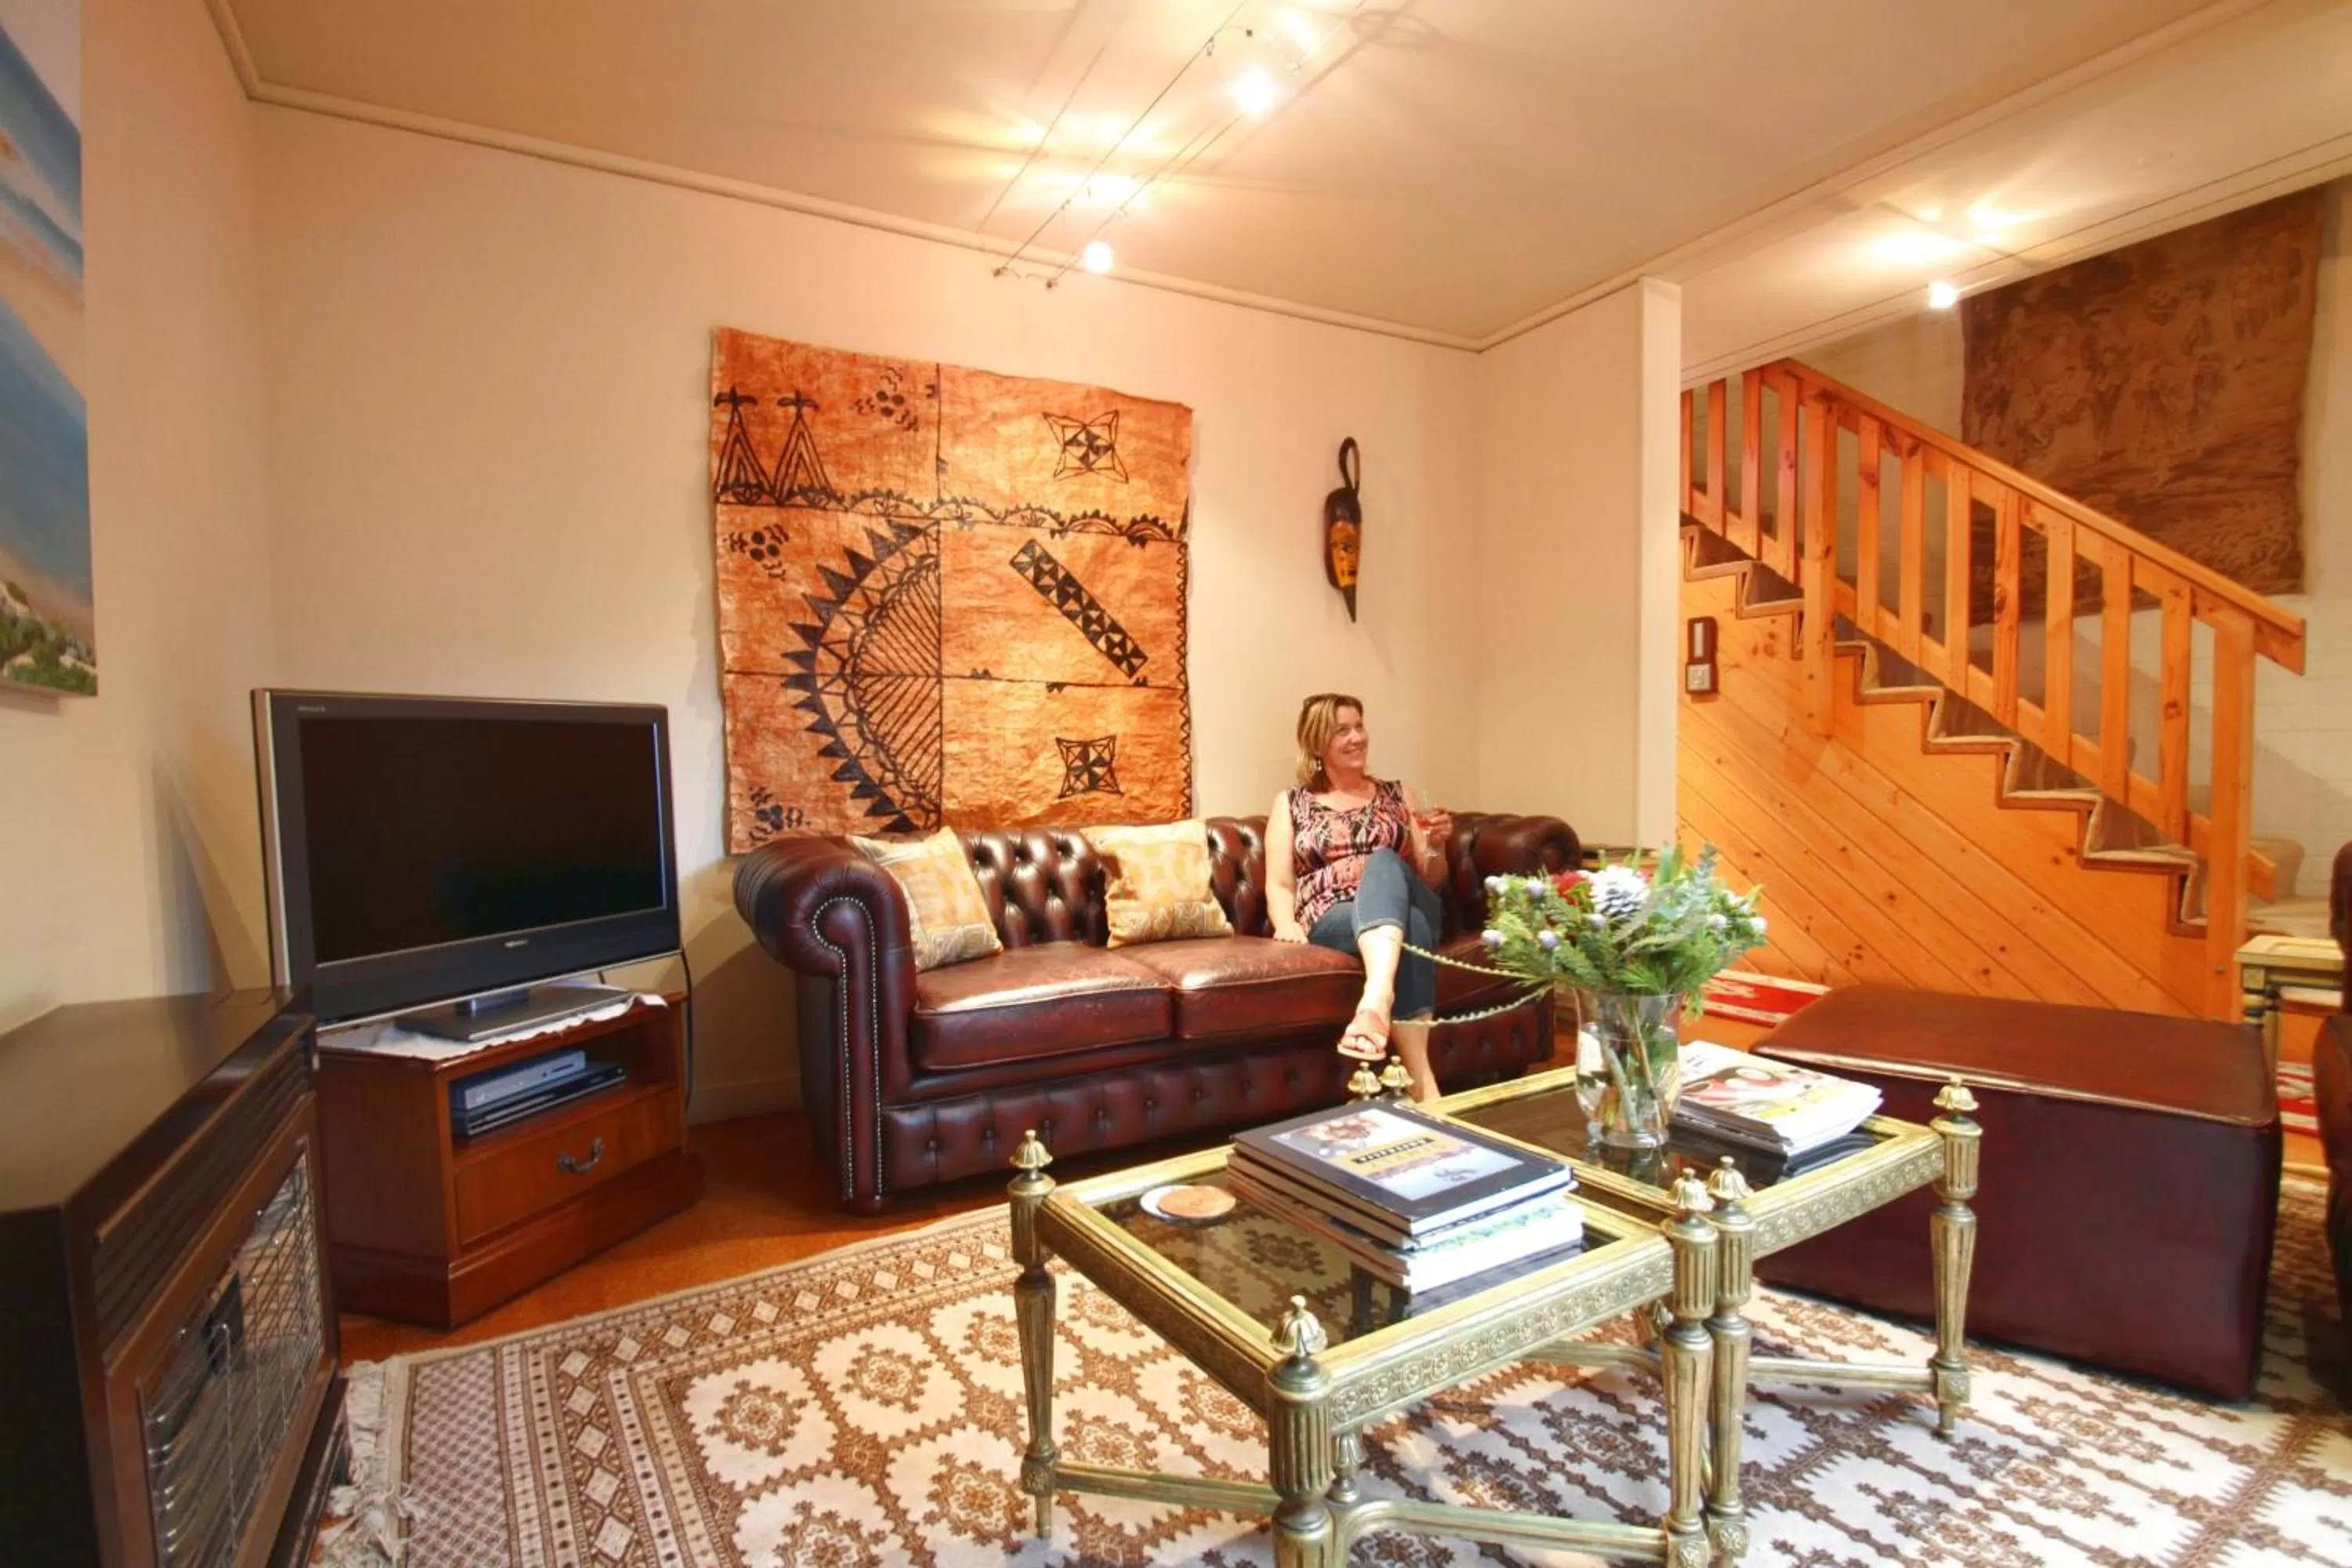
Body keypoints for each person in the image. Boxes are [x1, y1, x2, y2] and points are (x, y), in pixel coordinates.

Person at [1265, 693, 1454, 1102]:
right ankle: (1425, 1088)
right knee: (1412, 930)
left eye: (1359, 726)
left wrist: (1437, 845)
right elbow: (1280, 882)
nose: (1357, 738)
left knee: (1384, 863)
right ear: (1317, 744)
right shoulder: (1293, 803)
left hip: (1410, 898)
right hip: (1333, 917)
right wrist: (1286, 922)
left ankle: (1376, 998)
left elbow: (1432, 878)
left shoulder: (1398, 794)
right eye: (1342, 731)